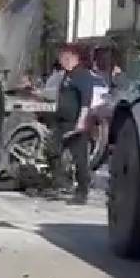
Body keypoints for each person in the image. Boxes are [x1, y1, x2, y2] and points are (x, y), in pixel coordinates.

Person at [47, 43, 95, 205]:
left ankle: (82, 192)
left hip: (75, 124)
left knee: (80, 159)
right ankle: (60, 184)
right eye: (62, 58)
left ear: (75, 58)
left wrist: (81, 122)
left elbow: (86, 101)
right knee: (52, 151)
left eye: (66, 58)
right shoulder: (67, 75)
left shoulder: (82, 75)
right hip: (61, 123)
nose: (63, 61)